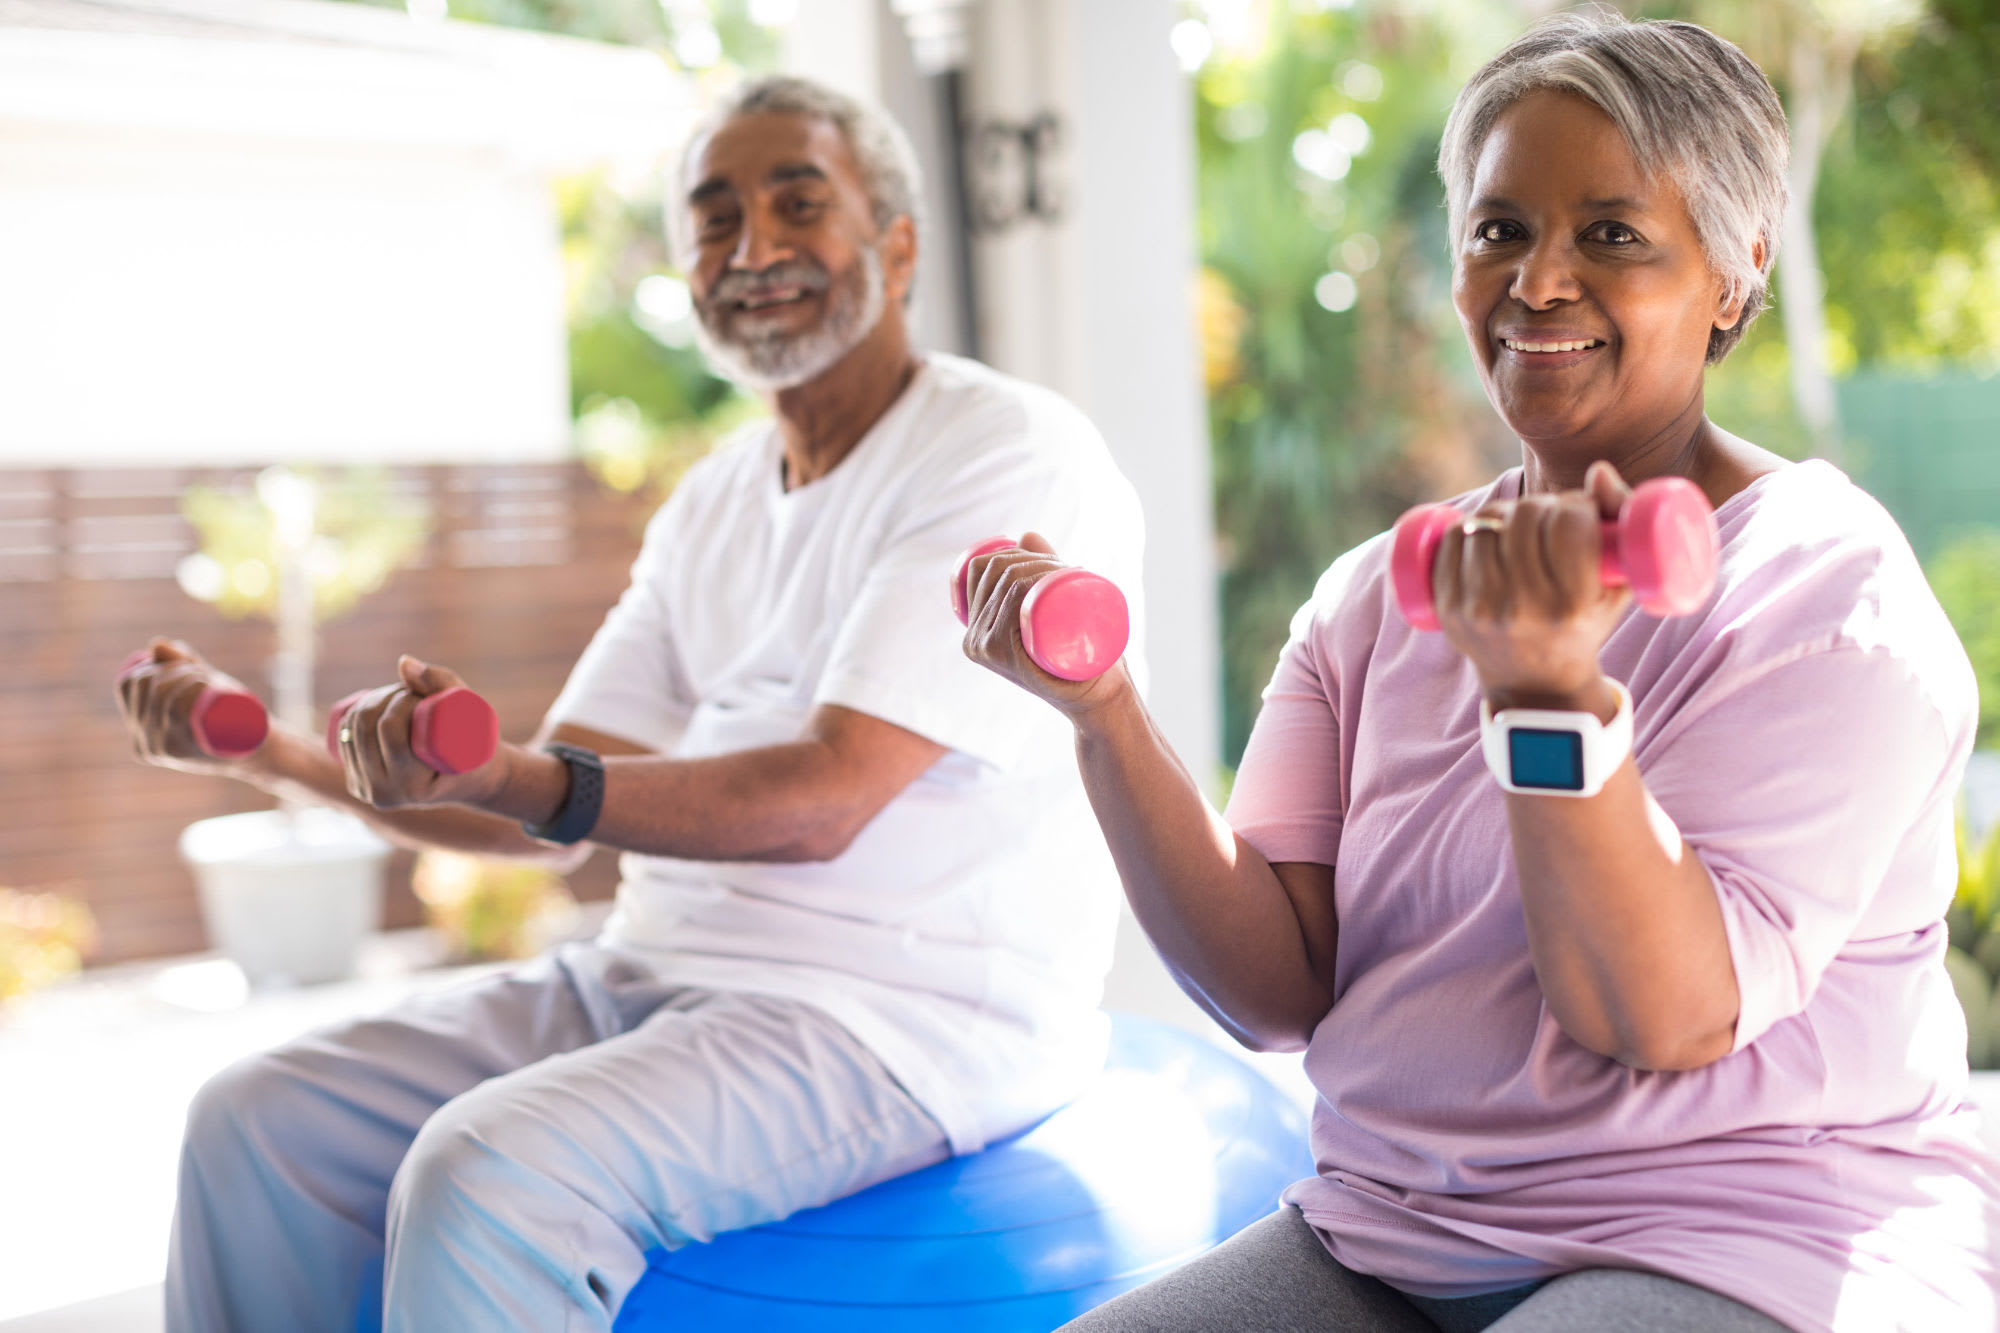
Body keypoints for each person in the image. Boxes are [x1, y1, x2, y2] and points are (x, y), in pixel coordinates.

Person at [963, 12, 2000, 1333]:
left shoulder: (1832, 596)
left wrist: (1546, 694)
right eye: (1500, 228)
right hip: (1394, 1228)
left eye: (1612, 235)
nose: (1538, 280)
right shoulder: (1371, 598)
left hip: (1740, 1231)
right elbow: (1276, 987)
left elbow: (1659, 1015)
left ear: (1736, 273)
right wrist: (1101, 715)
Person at [118, 74, 1145, 1333]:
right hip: (650, 973)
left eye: (797, 203)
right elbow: (522, 802)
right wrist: (273, 751)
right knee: (254, 1119)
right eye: (713, 219)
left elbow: (820, 799)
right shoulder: (712, 499)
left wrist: (519, 780)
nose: (751, 247)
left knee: (488, 1174)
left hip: (899, 1017)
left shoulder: (1002, 448)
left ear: (897, 243)